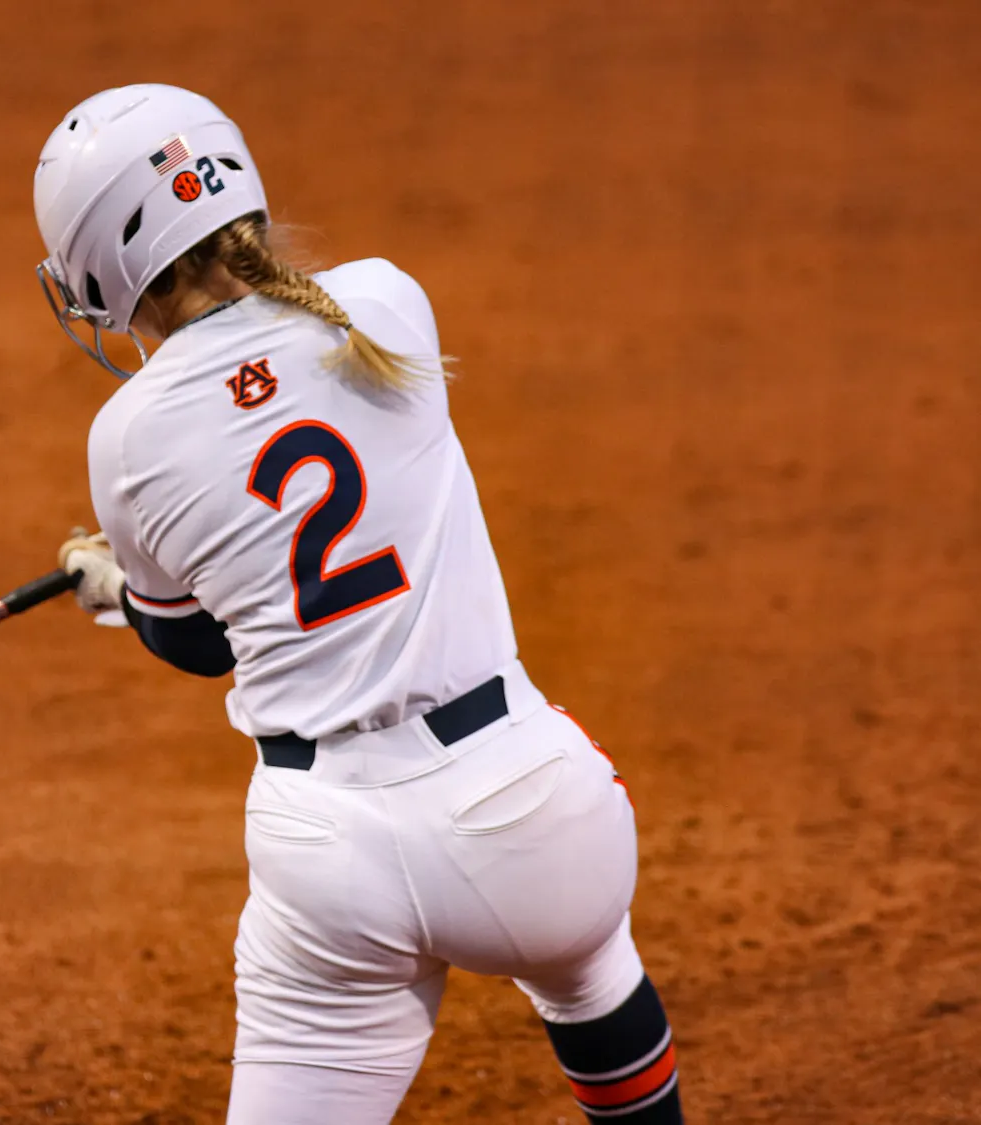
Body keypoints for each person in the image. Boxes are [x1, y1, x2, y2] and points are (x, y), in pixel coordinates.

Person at [34, 84, 684, 1125]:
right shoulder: (383, 303)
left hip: (330, 860)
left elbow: (196, 644)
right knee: (590, 969)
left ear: (99, 269)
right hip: (530, 814)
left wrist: (112, 584)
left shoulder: (126, 438)